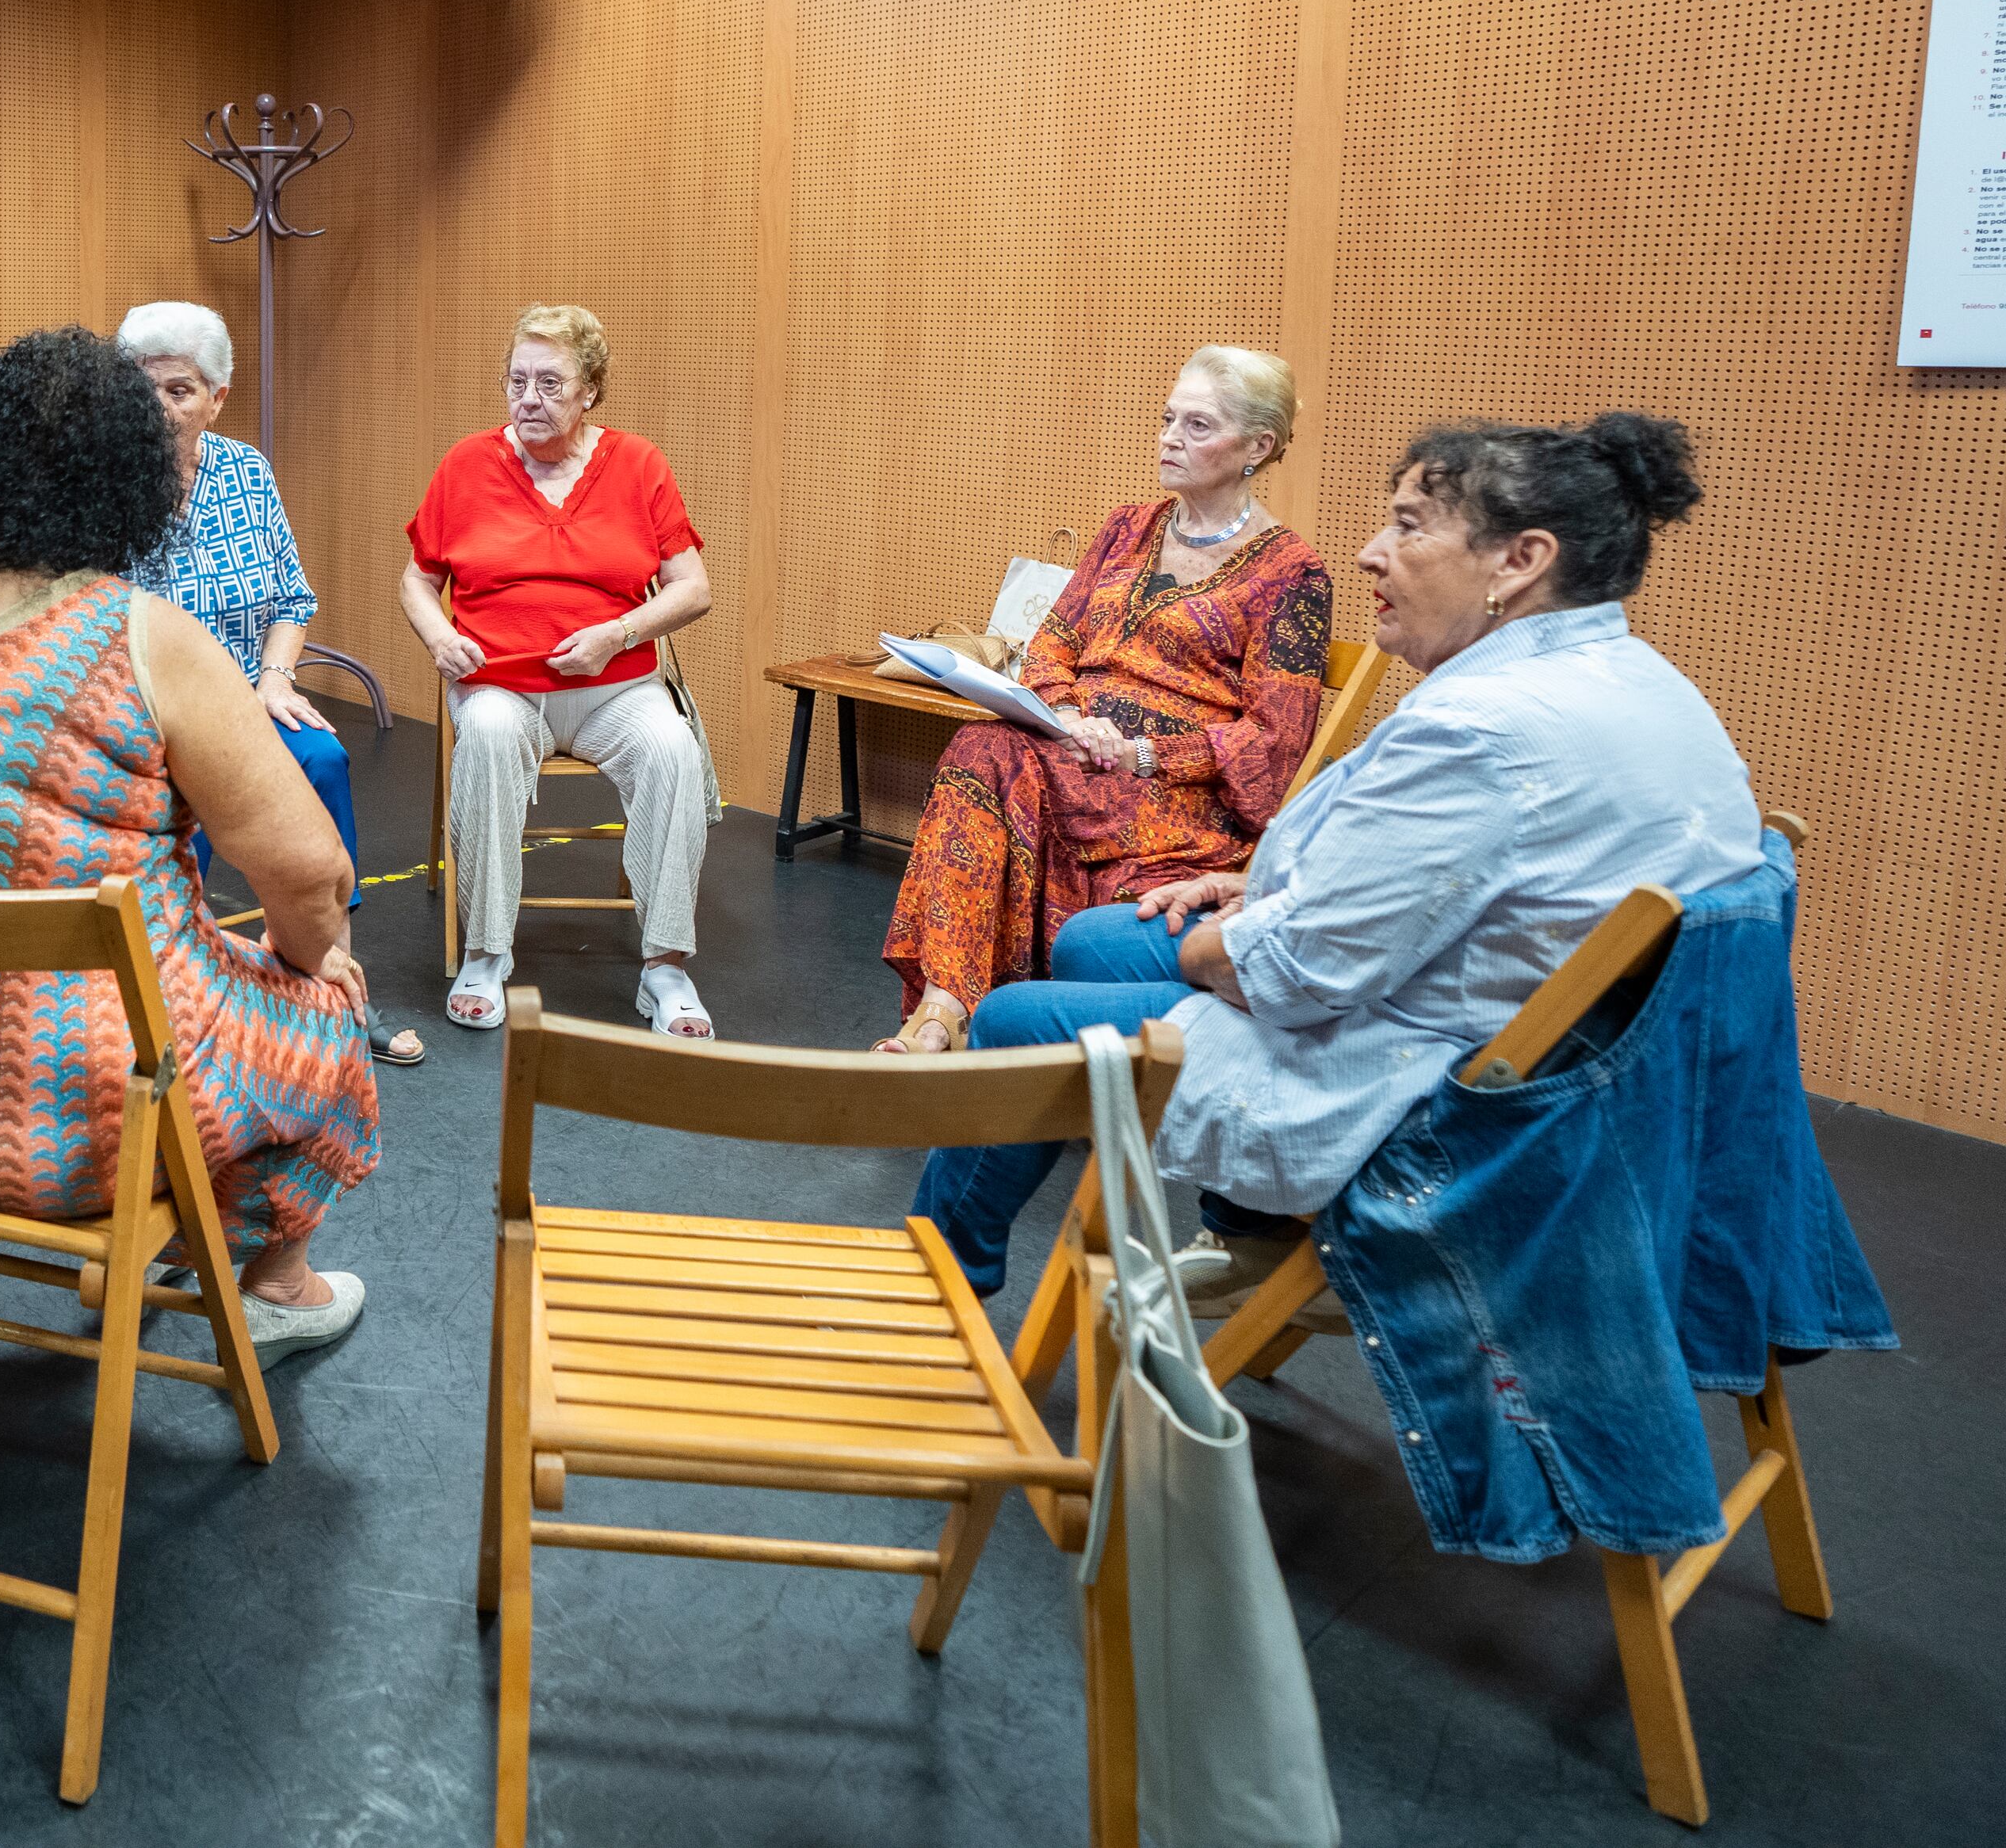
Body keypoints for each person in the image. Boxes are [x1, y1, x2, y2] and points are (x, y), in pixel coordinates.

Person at [910, 413, 1763, 1300]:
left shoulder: (1478, 731)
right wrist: (1265, 884)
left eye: (1406, 524)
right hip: (1538, 1045)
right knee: (1094, 941)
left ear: (1519, 560)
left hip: (1437, 1087)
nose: (1369, 552)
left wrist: (1229, 936)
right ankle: (1248, 1230)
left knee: (1013, 1020)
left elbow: (1290, 972)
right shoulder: (1642, 683)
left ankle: (937, 1281)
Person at [0, 326, 378, 1360]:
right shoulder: (140, 635)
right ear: (133, 478)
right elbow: (312, 877)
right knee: (331, 1001)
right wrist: (307, 961)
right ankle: (271, 1280)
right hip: (79, 1139)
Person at [877, 348, 1332, 1054]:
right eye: (1168, 418)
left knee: (991, 754)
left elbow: (1274, 743)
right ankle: (944, 1005)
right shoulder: (1127, 526)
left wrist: (1147, 752)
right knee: (984, 742)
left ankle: (953, 1018)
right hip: (1074, 750)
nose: (1170, 436)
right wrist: (1065, 715)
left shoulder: (1293, 573)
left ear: (1258, 446)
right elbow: (1054, 641)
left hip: (1176, 793)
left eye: (1198, 424)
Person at [400, 304, 716, 1039]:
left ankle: (665, 966)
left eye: (550, 382)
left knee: (673, 750)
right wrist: (438, 635)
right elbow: (416, 579)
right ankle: (484, 952)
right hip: (502, 686)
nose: (529, 399)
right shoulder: (467, 464)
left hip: (616, 689)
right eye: (517, 381)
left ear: (590, 391)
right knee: (481, 735)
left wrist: (618, 632)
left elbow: (692, 588)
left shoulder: (638, 464)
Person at [117, 301, 355, 877]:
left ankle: (328, 946)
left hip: (248, 700)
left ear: (217, 399)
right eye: (142, 389)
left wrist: (275, 679)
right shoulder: (101, 484)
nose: (157, 408)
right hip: (144, 713)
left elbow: (293, 600)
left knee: (323, 759)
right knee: (179, 801)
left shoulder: (247, 471)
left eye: (178, 391)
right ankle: (174, 949)